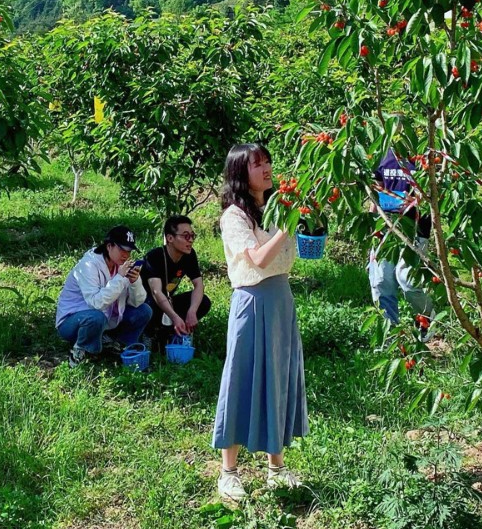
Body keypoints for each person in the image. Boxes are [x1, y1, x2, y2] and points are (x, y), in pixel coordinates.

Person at [212, 143, 306, 502]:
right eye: (258, 164)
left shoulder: (274, 208)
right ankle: (229, 472)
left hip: (281, 300)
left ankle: (276, 468)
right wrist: (286, 225)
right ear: (240, 171)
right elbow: (260, 260)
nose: (267, 169)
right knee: (243, 378)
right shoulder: (234, 217)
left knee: (278, 378)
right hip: (252, 303)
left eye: (268, 162)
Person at [55, 225, 153, 365]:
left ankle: (121, 346)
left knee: (144, 310)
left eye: (129, 251)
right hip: (73, 321)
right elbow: (96, 303)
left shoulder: (123, 266)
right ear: (109, 246)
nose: (125, 255)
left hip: (107, 319)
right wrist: (119, 278)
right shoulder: (89, 265)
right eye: (121, 249)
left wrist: (134, 282)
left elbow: (137, 302)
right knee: (95, 317)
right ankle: (80, 350)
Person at [368, 148, 431, 327]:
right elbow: (377, 191)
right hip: (386, 226)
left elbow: (433, 193)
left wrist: (418, 199)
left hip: (416, 228)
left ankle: (427, 317)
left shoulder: (424, 153)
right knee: (381, 282)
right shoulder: (382, 152)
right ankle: (390, 333)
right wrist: (373, 224)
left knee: (407, 280)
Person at [141, 215, 211, 348]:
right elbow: (156, 293)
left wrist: (192, 311)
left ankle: (174, 332)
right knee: (151, 305)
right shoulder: (154, 257)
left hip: (168, 301)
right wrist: (175, 317)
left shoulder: (189, 255)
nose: (190, 240)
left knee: (203, 302)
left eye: (192, 235)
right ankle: (149, 334)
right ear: (170, 238)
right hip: (148, 304)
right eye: (185, 236)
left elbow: (198, 284)